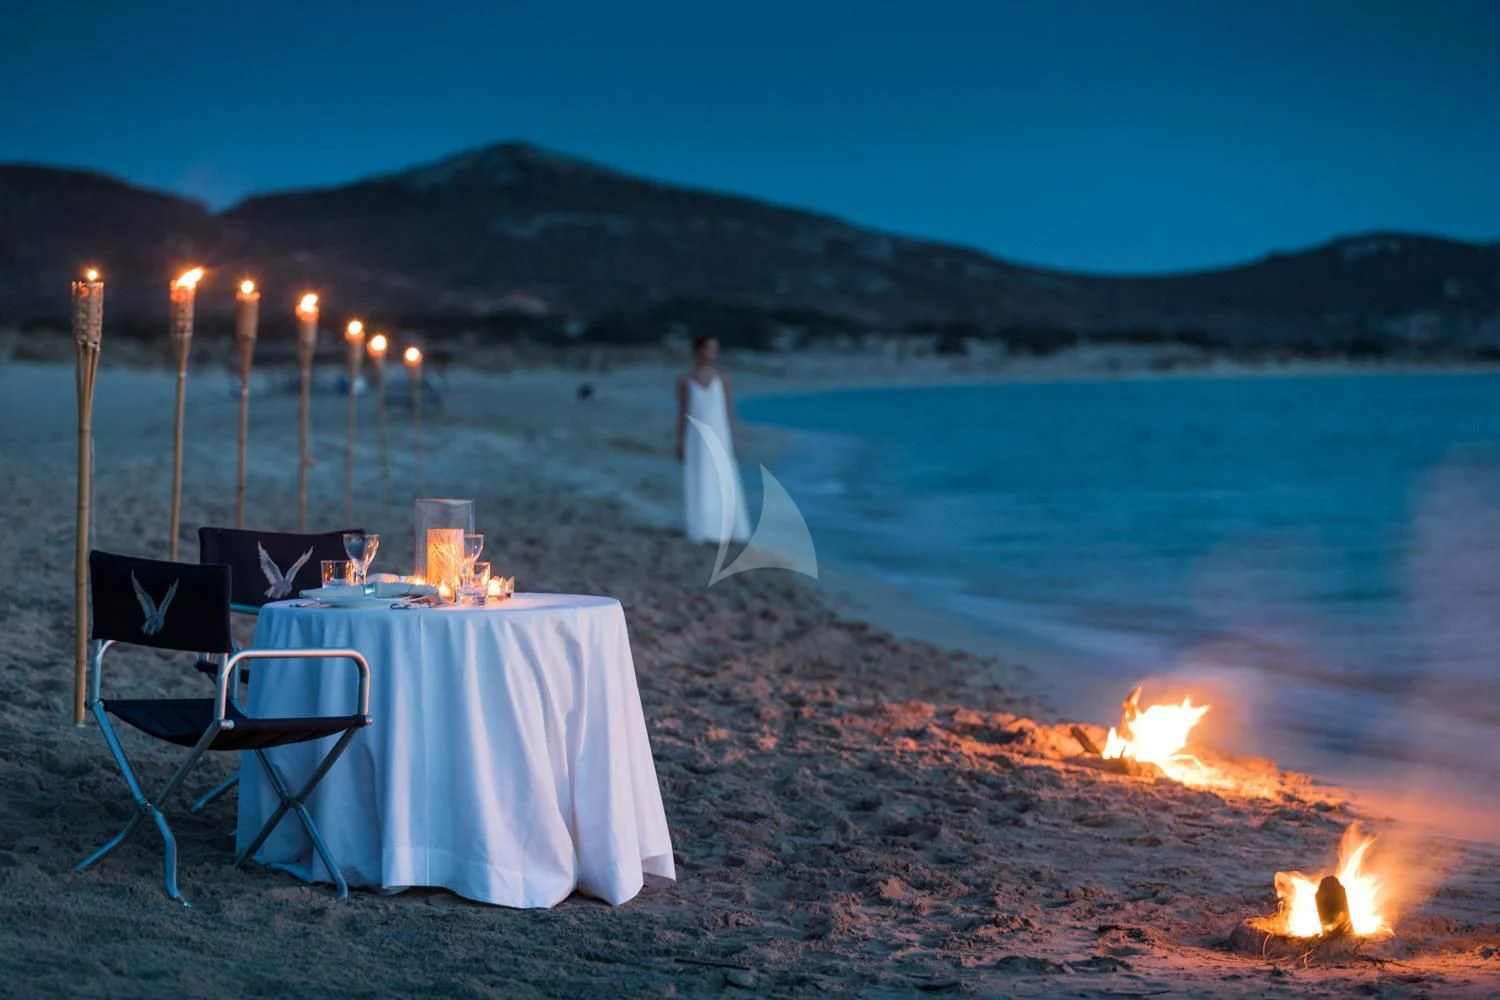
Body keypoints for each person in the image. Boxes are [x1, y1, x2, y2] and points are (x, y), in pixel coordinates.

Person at [676, 335, 751, 544]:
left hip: (720, 436)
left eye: (715, 349)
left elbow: (728, 412)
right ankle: (702, 527)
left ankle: (727, 528)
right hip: (695, 438)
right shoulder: (685, 381)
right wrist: (680, 441)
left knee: (722, 480)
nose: (712, 353)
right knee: (700, 479)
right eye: (708, 348)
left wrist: (735, 439)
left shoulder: (723, 379)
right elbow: (682, 412)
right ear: (698, 350)